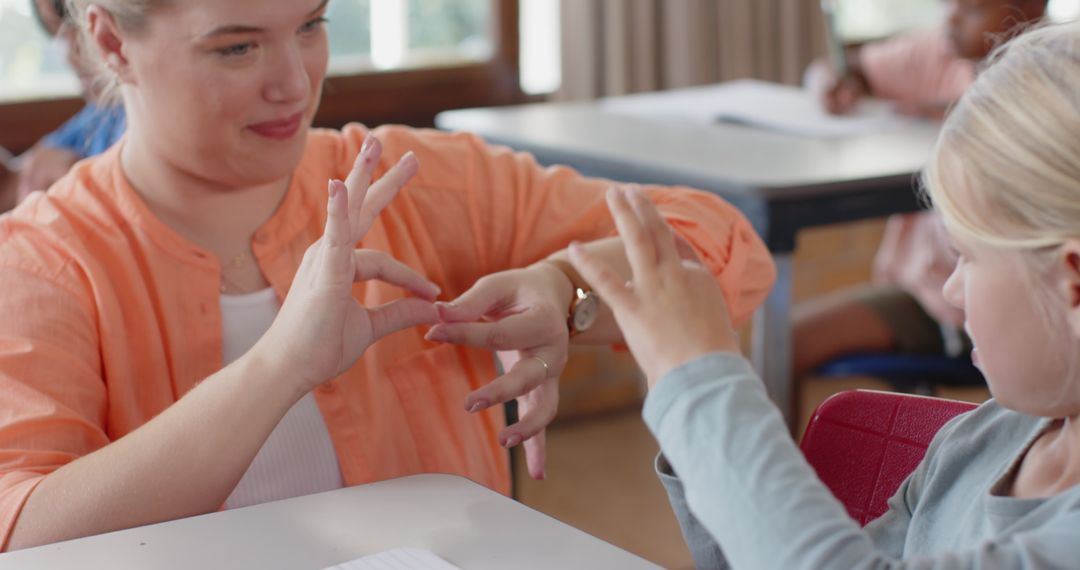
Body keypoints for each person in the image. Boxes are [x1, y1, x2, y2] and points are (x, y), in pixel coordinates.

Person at [0, 0, 776, 551]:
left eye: (311, 26)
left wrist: (565, 286)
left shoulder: (423, 182)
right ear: (109, 39)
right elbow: (25, 533)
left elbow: (726, 246)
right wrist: (279, 367)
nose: (294, 84)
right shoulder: (41, 260)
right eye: (236, 47)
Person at [570, 22, 1080, 569]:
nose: (951, 290)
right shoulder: (975, 443)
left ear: (1072, 282)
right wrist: (680, 388)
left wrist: (697, 381)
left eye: (967, 257)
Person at [794, 0, 1047, 385]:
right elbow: (842, 66)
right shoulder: (939, 51)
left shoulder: (1053, 83)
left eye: (971, 8)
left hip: (995, 308)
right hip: (924, 295)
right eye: (946, 4)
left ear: (1032, 7)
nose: (950, 18)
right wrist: (830, 81)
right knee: (786, 341)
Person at [0, 0, 127, 211]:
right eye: (55, 33)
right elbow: (27, 175)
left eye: (72, 19)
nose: (69, 54)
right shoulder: (97, 116)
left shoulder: (139, 120)